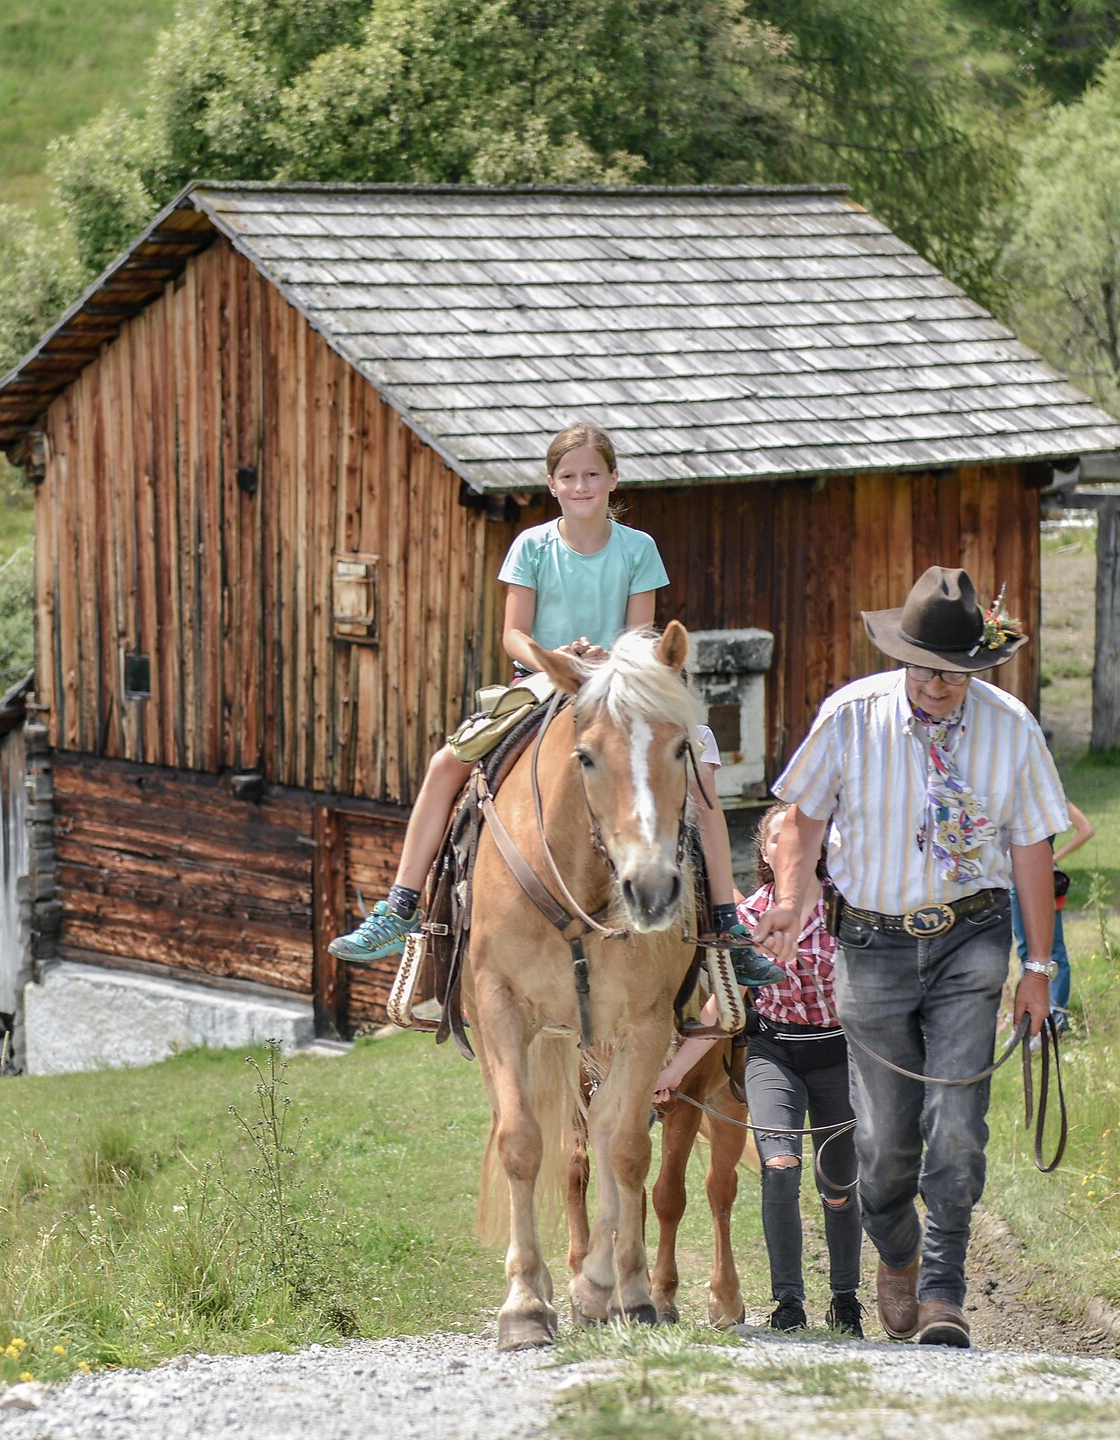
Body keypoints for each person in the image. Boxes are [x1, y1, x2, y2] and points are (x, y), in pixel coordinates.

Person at [330, 422, 786, 987]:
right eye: (569, 477)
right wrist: (553, 656)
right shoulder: (533, 546)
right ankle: (397, 907)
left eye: (592, 474)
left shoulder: (638, 548)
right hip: (546, 678)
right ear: (552, 484)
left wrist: (608, 657)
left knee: (701, 781)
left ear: (612, 478)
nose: (582, 485)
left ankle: (725, 925)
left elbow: (641, 636)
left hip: (620, 683)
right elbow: (512, 635)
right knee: (445, 764)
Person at [752, 566, 1067, 1349]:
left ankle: (944, 1291)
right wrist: (790, 903)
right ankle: (897, 1250)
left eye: (957, 672)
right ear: (903, 658)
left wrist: (1038, 969)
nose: (939, 685)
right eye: (927, 668)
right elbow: (802, 821)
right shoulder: (850, 718)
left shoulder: (1012, 728)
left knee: (957, 1125)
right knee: (884, 1144)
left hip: (971, 937)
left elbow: (1032, 847)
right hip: (872, 944)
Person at [656, 802, 864, 1337]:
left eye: (803, 834)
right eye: (779, 837)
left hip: (839, 1053)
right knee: (779, 1165)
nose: (792, 844)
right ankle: (788, 1302)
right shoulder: (746, 917)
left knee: (837, 1181)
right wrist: (674, 1072)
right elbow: (720, 1004)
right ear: (767, 852)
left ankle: (846, 1299)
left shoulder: (851, 906)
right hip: (774, 1052)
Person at [1011, 801, 1092, 1036]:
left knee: (1053, 952)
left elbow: (1086, 829)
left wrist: (1052, 858)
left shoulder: (1051, 794)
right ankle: (1029, 1024)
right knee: (1025, 950)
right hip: (1013, 880)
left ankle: (1056, 1021)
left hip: (1041, 880)